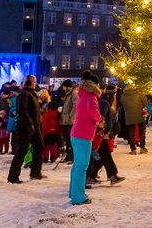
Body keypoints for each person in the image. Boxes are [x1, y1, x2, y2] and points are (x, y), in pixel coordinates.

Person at [69, 71, 102, 206]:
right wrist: (100, 120)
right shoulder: (91, 97)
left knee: (77, 166)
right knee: (82, 166)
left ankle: (74, 192)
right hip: (83, 135)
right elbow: (94, 112)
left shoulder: (82, 95)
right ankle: (78, 197)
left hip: (76, 133)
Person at [7, 76, 44, 183]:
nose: (35, 83)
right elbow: (22, 111)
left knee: (39, 147)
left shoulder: (32, 94)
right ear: (29, 82)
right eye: (34, 81)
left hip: (34, 127)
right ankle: (13, 177)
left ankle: (35, 173)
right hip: (25, 127)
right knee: (21, 151)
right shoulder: (24, 94)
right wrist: (30, 124)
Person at [121, 85, 147, 154]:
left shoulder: (123, 95)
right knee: (142, 131)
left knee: (131, 132)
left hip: (129, 116)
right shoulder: (139, 94)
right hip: (139, 114)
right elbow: (145, 101)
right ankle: (142, 148)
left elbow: (122, 104)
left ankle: (133, 149)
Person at [60, 81, 77, 162]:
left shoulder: (73, 93)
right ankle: (68, 156)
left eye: (63, 87)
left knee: (70, 140)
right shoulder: (68, 94)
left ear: (67, 86)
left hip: (69, 120)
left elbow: (76, 105)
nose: (63, 89)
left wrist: (71, 115)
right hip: (65, 119)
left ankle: (72, 157)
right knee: (67, 139)